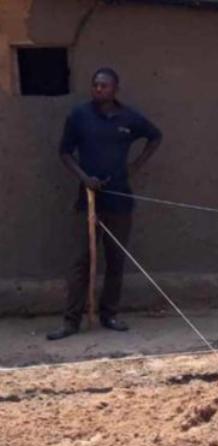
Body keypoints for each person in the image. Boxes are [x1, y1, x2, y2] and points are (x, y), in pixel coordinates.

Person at [47, 68, 163, 341]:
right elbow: (64, 152)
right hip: (87, 199)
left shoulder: (129, 118)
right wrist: (84, 178)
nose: (99, 89)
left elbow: (155, 136)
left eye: (105, 86)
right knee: (81, 261)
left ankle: (109, 314)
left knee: (115, 259)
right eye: (96, 85)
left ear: (115, 89)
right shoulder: (79, 116)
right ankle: (71, 320)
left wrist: (134, 166)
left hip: (119, 198)